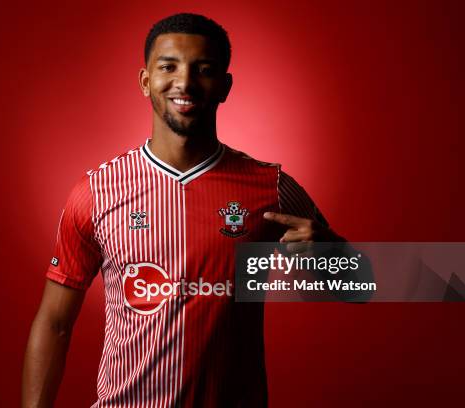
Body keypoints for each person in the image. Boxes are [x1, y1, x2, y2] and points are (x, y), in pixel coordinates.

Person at [22, 13, 344, 408]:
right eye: (168, 67)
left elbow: (353, 286)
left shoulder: (270, 186)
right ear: (145, 82)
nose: (185, 82)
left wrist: (333, 254)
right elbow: (54, 324)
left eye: (203, 69)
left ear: (224, 86)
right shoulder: (96, 191)